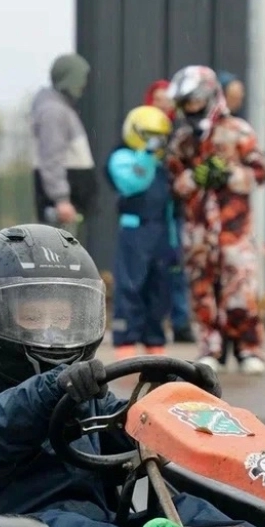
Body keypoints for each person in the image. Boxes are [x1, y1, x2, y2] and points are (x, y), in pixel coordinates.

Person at [0, 223, 265, 527]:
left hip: (103, 522)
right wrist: (54, 387)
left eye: (62, 318)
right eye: (33, 317)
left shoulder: (86, 397)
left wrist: (179, 403)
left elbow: (130, 428)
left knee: (185, 507)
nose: (51, 331)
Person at [166, 66, 265, 375]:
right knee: (202, 287)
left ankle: (248, 349)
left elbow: (260, 172)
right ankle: (211, 347)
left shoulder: (238, 130)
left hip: (233, 228)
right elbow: (174, 183)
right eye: (186, 103)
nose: (191, 108)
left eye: (195, 101)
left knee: (240, 287)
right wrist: (194, 178)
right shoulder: (183, 139)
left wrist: (230, 174)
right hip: (197, 230)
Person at [106, 105, 174, 360]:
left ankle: (154, 339)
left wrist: (175, 241)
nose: (157, 141)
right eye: (150, 135)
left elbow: (170, 204)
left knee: (159, 286)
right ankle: (126, 338)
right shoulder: (122, 157)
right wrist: (147, 154)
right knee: (131, 284)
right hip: (135, 228)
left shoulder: (162, 163)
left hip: (161, 229)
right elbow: (134, 182)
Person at [143, 80, 193, 343]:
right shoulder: (141, 132)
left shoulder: (180, 132)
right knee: (150, 272)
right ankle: (150, 325)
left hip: (174, 212)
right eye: (158, 98)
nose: (164, 104)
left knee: (177, 268)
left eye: (168, 98)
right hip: (150, 215)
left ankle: (181, 321)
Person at [30, 53, 97, 229]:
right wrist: (61, 200)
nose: (83, 84)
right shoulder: (54, 112)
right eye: (80, 78)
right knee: (59, 255)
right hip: (63, 211)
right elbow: (52, 157)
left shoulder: (58, 109)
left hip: (68, 208)